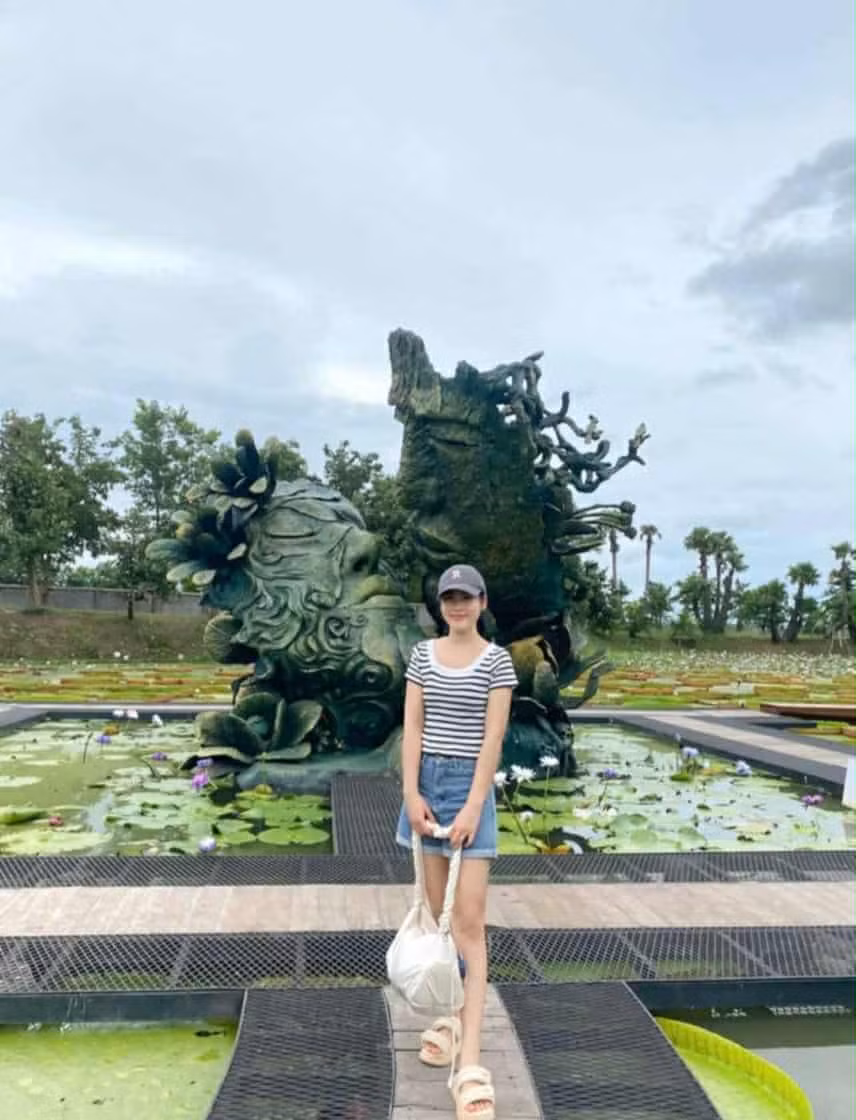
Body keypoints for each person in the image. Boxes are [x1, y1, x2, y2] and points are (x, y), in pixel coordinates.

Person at [396, 563, 517, 1120]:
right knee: (436, 918)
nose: (458, 605)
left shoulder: (497, 661)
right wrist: (410, 794)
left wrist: (472, 805)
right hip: (427, 787)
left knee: (468, 924)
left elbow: (494, 736)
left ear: (482, 602)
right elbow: (414, 727)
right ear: (440, 605)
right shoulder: (423, 655)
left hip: (471, 787)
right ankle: (448, 1019)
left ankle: (469, 1062)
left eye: (466, 597)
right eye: (449, 598)